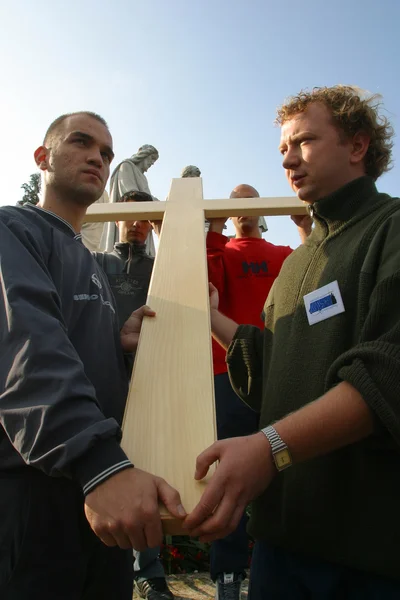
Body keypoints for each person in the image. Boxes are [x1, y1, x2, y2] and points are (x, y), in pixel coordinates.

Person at [185, 85, 400, 599]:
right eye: (282, 148)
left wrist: (271, 447)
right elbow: (272, 360)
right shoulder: (296, 265)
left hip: (366, 554)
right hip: (281, 546)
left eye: (303, 142)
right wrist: (210, 316)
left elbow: (388, 371)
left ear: (356, 145)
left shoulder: (390, 230)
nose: (287, 159)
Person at [0, 111, 185, 600]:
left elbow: (73, 347)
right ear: (43, 157)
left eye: (106, 152)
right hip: (34, 487)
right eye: (82, 143)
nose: (98, 158)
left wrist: (116, 344)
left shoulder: (90, 262)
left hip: (104, 496)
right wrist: (98, 462)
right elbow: (25, 346)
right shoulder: (11, 229)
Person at [206, 185, 311, 599]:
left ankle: (287, 564)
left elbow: (313, 276)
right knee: (227, 476)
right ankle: (228, 576)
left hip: (280, 373)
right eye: (236, 202)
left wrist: (305, 231)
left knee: (290, 467)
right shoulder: (222, 253)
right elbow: (201, 289)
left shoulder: (284, 252)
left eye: (251, 200)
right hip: (226, 372)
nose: (244, 207)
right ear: (231, 213)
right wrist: (212, 230)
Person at [94, 189, 174, 600]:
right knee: (98, 461)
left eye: (147, 217)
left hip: (149, 380)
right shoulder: (95, 264)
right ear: (117, 217)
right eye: (132, 214)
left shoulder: (162, 267)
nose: (139, 223)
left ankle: (150, 572)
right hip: (101, 377)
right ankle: (98, 560)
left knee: (145, 464)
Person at [101, 144, 159, 256]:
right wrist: (157, 203)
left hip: (143, 220)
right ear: (143, 155)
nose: (151, 164)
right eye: (151, 159)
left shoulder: (143, 177)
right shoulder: (126, 166)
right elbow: (130, 194)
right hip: (128, 219)